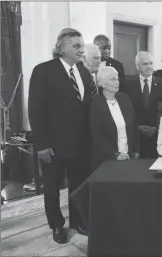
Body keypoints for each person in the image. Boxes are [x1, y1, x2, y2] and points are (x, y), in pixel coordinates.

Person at [28, 28, 92, 243]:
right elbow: (35, 110)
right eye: (77, 46)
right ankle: (56, 226)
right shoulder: (43, 71)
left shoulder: (83, 71)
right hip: (53, 145)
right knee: (52, 187)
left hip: (80, 144)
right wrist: (42, 145)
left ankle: (77, 222)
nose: (82, 50)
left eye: (82, 46)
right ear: (62, 47)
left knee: (78, 184)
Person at [89, 66, 140, 170]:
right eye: (112, 79)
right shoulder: (96, 104)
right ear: (102, 83)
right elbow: (97, 135)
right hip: (107, 160)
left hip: (129, 156)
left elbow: (134, 125)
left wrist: (136, 150)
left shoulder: (124, 98)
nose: (117, 82)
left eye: (117, 79)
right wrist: (115, 155)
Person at [124, 51, 162, 158]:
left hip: (157, 135)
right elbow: (127, 111)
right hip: (136, 136)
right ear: (137, 66)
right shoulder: (128, 85)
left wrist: (156, 127)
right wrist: (138, 126)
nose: (149, 67)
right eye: (145, 64)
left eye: (151, 63)